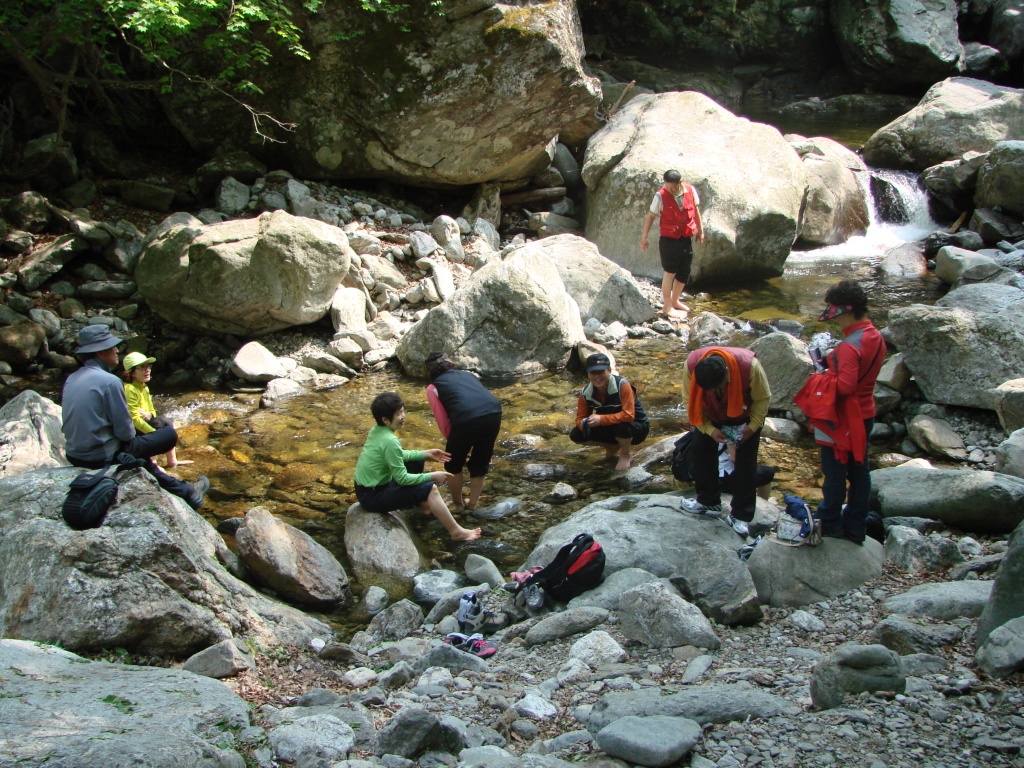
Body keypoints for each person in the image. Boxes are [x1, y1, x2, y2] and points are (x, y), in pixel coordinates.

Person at [61, 325, 209, 509]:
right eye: (112, 347)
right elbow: (125, 433)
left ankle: (185, 491)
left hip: (74, 455)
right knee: (168, 434)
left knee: (142, 456)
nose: (116, 350)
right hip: (101, 456)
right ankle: (187, 491)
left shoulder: (72, 378)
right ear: (100, 353)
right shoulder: (110, 382)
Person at [810, 280, 886, 545]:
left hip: (842, 418)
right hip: (865, 414)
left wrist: (822, 374)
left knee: (834, 472)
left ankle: (829, 522)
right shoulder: (874, 335)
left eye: (836, 312)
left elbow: (845, 386)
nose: (834, 319)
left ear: (848, 311)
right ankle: (856, 527)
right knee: (859, 471)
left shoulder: (848, 347)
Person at [354, 391, 482, 541]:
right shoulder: (389, 440)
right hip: (373, 497)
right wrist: (433, 476)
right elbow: (402, 479)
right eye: (398, 414)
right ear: (385, 419)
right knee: (430, 488)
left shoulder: (377, 431)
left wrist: (425, 454)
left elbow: (398, 455)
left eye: (402, 411)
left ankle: (427, 507)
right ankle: (456, 532)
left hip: (366, 489)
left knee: (416, 460)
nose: (403, 416)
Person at [680, 346, 771, 536]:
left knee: (746, 464)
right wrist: (710, 430)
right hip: (710, 413)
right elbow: (690, 400)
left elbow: (763, 399)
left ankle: (741, 515)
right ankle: (708, 502)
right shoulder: (690, 366)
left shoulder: (750, 366)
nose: (713, 391)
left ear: (727, 373)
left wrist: (752, 427)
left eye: (717, 387)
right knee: (700, 452)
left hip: (745, 414)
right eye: (708, 389)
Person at [424, 352, 502, 510]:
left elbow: (443, 421)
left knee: (453, 464)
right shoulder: (468, 375)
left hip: (467, 417)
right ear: (451, 364)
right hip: (494, 411)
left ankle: (458, 503)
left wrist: (456, 445)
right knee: (481, 462)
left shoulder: (433, 387)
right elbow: (477, 398)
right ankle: (473, 504)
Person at [640, 169, 705, 318]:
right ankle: (667, 306)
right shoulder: (660, 196)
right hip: (669, 240)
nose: (668, 190)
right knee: (670, 271)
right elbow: (650, 216)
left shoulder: (690, 190)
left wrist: (701, 231)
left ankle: (675, 300)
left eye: (672, 187)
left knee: (684, 271)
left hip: (685, 237)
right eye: (666, 186)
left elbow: (695, 210)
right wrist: (645, 237)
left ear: (679, 183)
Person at [569, 353, 649, 471]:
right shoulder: (585, 393)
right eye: (593, 373)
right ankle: (611, 446)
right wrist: (586, 423)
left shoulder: (623, 385)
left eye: (601, 372)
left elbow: (629, 415)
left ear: (609, 371)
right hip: (610, 426)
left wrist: (601, 419)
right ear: (588, 374)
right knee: (576, 434)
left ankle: (625, 454)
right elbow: (580, 419)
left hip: (636, 428)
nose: (597, 376)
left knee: (622, 425)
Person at [123, 351, 192, 470]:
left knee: (167, 421)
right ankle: (153, 464)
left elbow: (152, 410)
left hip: (144, 423)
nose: (147, 370)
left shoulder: (144, 386)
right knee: (158, 425)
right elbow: (134, 419)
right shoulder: (130, 389)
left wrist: (149, 413)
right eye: (142, 367)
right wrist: (155, 435)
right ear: (132, 373)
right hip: (133, 430)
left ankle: (172, 461)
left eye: (148, 366)